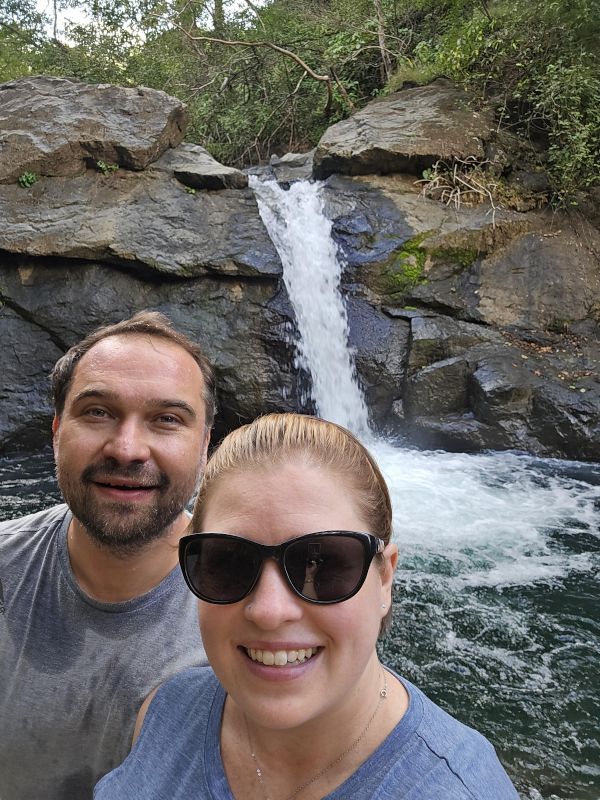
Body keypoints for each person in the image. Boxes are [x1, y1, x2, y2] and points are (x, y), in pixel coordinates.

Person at [94, 412, 520, 800]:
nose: (268, 610)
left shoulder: (455, 789)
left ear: (385, 577)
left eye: (323, 563)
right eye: (228, 562)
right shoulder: (168, 711)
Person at [0, 310, 216, 800]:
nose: (127, 449)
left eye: (166, 419)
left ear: (204, 446)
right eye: (97, 412)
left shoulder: (258, 612)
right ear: (56, 431)